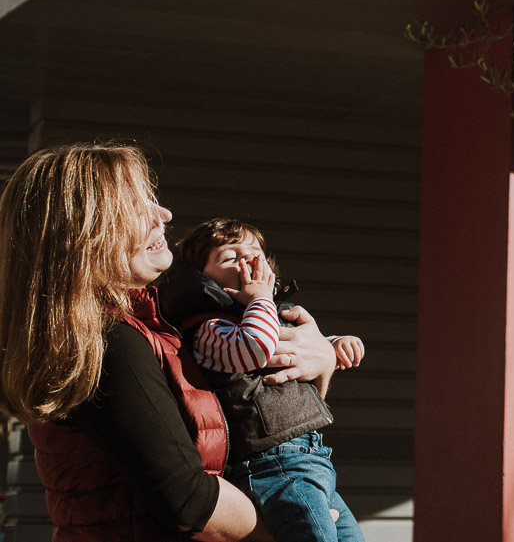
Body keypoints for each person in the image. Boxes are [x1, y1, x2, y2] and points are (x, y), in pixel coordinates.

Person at [0, 143, 338, 542]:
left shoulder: (153, 325)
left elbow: (253, 427)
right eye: (138, 207)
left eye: (153, 199)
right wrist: (298, 528)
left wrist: (321, 363)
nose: (164, 215)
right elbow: (189, 499)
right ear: (85, 234)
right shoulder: (109, 343)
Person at [160, 218, 365, 542]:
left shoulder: (273, 312)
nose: (247, 262)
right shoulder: (209, 328)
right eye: (229, 258)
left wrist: (334, 344)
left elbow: (306, 346)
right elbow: (256, 347)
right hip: (274, 466)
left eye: (254, 253)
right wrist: (259, 299)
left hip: (314, 457)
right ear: (202, 279)